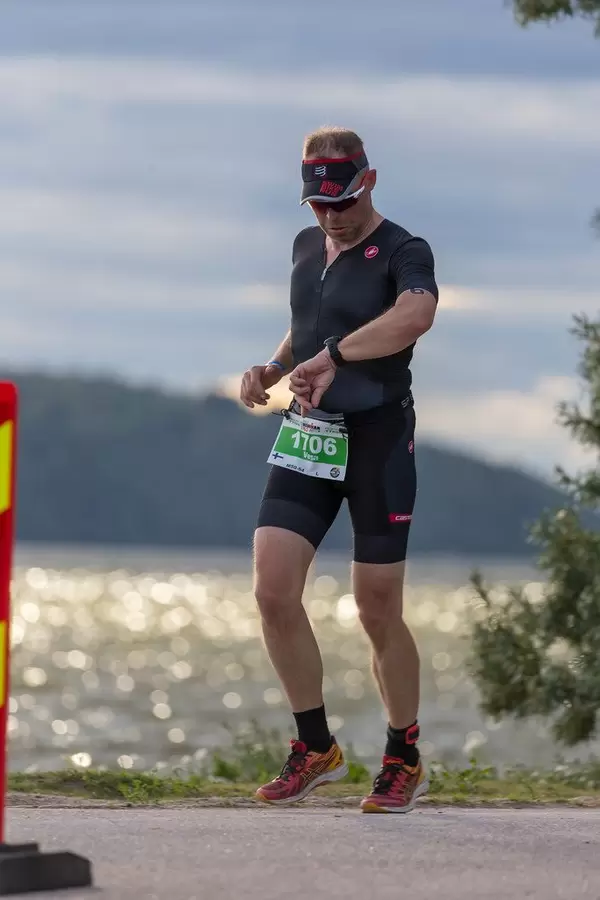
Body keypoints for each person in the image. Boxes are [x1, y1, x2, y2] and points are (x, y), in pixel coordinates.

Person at [239, 126, 439, 814]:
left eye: (344, 202)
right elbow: (309, 324)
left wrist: (339, 359)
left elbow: (416, 314)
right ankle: (314, 746)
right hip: (309, 439)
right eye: (319, 207)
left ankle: (403, 754)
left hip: (378, 440)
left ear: (370, 181)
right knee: (272, 590)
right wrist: (275, 365)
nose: (332, 217)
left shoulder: (404, 250)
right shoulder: (306, 246)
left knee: (376, 608)